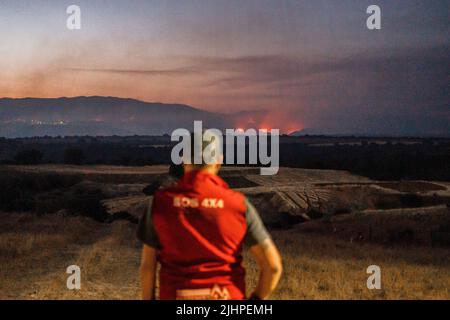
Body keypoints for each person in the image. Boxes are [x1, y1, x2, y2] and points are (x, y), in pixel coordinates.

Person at [137, 131, 282, 300]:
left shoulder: (160, 204)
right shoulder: (238, 205)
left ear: (183, 160)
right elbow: (273, 267)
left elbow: (148, 266)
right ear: (218, 161)